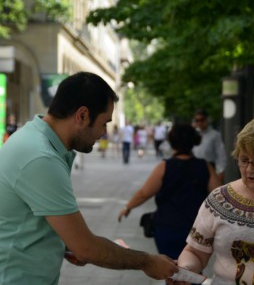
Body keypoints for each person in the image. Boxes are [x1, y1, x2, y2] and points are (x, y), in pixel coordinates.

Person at [0, 72, 178, 285]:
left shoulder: (41, 142)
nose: (104, 133)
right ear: (82, 115)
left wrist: (65, 244)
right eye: (104, 123)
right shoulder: (41, 157)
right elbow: (85, 248)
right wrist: (148, 262)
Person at [173, 117, 254, 285]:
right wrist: (186, 269)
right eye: (243, 160)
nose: (249, 169)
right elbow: (195, 252)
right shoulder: (219, 200)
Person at [118, 124, 221, 276]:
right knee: (195, 270)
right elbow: (219, 196)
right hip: (196, 230)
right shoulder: (204, 166)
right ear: (194, 141)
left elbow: (144, 193)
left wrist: (128, 207)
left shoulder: (165, 167)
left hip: (168, 229)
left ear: (172, 142)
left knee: (172, 271)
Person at [192, 109, 226, 182]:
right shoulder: (193, 134)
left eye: (202, 120)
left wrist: (221, 170)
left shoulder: (215, 135)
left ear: (207, 119)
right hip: (194, 167)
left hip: (210, 167)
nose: (199, 122)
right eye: (197, 120)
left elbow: (220, 153)